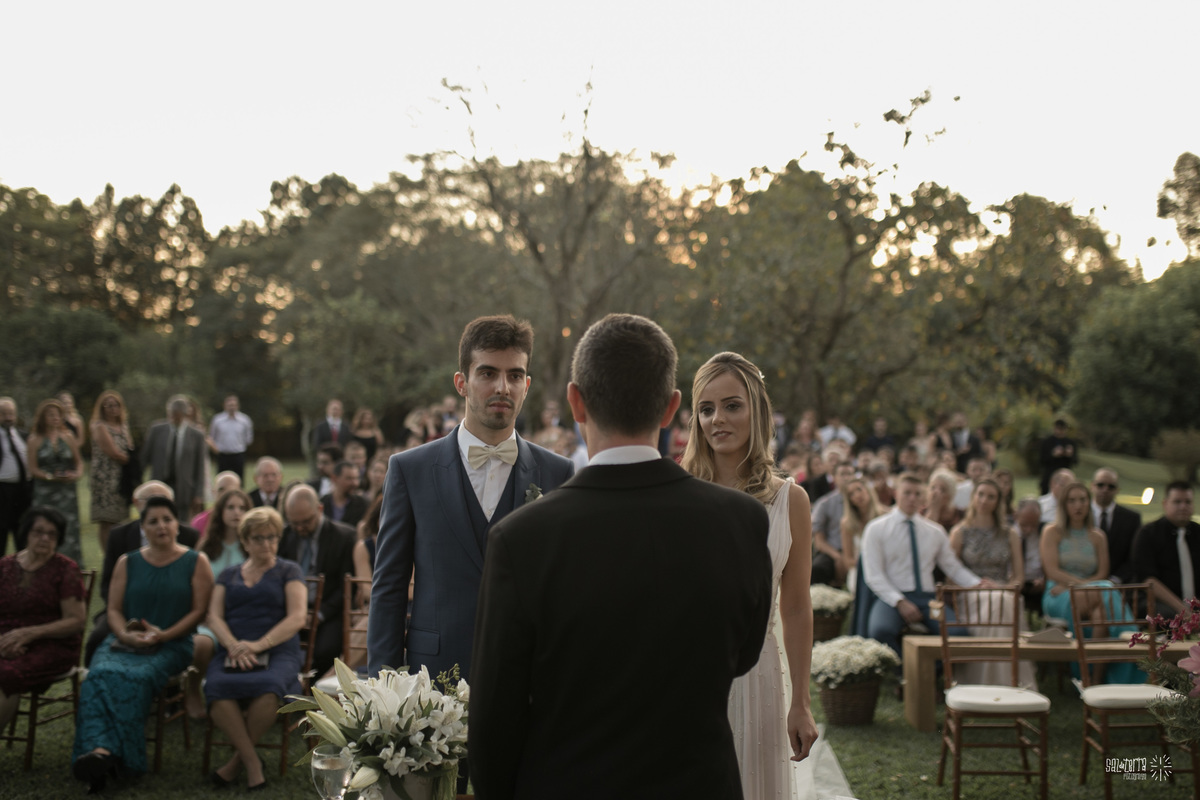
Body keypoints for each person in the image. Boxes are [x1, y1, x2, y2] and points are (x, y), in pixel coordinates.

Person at [470, 315, 774, 798]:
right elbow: (742, 656)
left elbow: (493, 717)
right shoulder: (741, 521)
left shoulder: (521, 539)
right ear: (673, 407)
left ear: (576, 402)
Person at [367, 315, 575, 686]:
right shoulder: (409, 470)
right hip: (431, 677)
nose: (502, 387)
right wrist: (382, 686)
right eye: (488, 373)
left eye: (514, 376)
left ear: (526, 385)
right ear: (462, 383)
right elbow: (390, 585)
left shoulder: (558, 474)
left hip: (528, 676)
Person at [680, 351, 818, 798]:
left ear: (756, 410)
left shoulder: (790, 501)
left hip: (758, 676)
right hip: (684, 677)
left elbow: (796, 607)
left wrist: (800, 701)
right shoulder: (676, 494)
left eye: (732, 405)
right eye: (706, 408)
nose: (718, 418)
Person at [73, 496, 213, 791]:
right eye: (153, 521)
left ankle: (122, 760)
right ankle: (100, 754)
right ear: (143, 528)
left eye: (167, 519)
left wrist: (164, 634)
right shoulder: (128, 561)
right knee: (98, 675)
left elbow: (199, 611)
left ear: (177, 525)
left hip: (172, 644)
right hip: (124, 641)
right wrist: (125, 635)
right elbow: (112, 609)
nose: (161, 526)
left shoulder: (196, 561)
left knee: (135, 676)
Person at [204, 507, 306, 791]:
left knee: (270, 685)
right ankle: (252, 762)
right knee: (216, 686)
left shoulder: (289, 570)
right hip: (233, 648)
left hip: (278, 649)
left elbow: (297, 617)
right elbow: (213, 616)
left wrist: (259, 645)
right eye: (259, 538)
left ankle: (237, 763)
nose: (267, 544)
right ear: (245, 541)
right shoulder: (228, 574)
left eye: (272, 537)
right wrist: (234, 646)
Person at [862, 473, 991, 656]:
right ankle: (903, 676)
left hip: (927, 599)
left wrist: (977, 583)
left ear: (923, 497)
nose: (912, 498)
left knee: (958, 635)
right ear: (896, 494)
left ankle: (930, 674)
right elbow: (874, 575)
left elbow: (952, 567)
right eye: (907, 493)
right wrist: (899, 602)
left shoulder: (934, 531)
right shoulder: (876, 529)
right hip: (891, 597)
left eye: (917, 494)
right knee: (880, 631)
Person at [85, 482, 202, 665]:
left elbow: (197, 597)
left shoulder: (190, 537)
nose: (161, 525)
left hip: (173, 612)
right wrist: (126, 622)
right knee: (97, 637)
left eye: (163, 502)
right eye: (149, 501)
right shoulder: (119, 536)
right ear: (136, 503)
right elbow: (107, 584)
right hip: (126, 610)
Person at [0, 507, 87, 731]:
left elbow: (76, 620)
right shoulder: (5, 566)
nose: (44, 538)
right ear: (26, 533)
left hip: (51, 644)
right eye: (38, 532)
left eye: (52, 534)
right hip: (6, 640)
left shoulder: (66, 570)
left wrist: (29, 634)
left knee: (7, 674)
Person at [278, 485, 354, 676]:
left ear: (319, 509)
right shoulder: (285, 536)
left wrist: (319, 615)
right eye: (294, 523)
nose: (300, 528)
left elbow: (346, 588)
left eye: (306, 522)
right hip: (290, 610)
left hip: (328, 611)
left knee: (325, 651)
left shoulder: (344, 537)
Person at [27, 398, 83, 566]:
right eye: (51, 415)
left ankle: (70, 565)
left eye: (58, 415)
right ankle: (44, 564)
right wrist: (50, 477)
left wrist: (76, 474)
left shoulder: (68, 436)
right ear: (43, 417)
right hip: (46, 492)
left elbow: (78, 462)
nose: (55, 418)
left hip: (67, 491)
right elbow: (32, 468)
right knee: (45, 526)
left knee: (69, 528)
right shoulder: (35, 439)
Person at [1132, 481, 1199, 614]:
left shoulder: (1198, 533)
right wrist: (1182, 610)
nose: (1183, 506)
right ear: (1165, 503)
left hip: (1195, 604)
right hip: (1160, 603)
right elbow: (1148, 579)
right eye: (1177, 502)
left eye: (1188, 502)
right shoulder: (1148, 533)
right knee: (1166, 615)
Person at [141, 395, 208, 517]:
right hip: (160, 483)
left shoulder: (196, 435)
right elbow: (144, 458)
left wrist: (199, 494)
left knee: (181, 520)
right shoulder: (156, 430)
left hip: (184, 488)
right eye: (170, 413)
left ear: (184, 414)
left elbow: (200, 467)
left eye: (175, 414)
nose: (172, 416)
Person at [88, 391, 132, 551]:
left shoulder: (124, 426)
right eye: (108, 406)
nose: (113, 409)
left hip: (121, 478)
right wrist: (133, 459)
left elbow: (129, 447)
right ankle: (108, 555)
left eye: (116, 405)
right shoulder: (99, 426)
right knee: (106, 520)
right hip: (105, 477)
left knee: (120, 519)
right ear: (102, 408)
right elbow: (113, 453)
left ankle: (119, 552)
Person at [1091, 467, 1142, 584]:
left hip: (1120, 585)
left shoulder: (1131, 519)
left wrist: (1116, 579)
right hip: (1083, 583)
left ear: (1117, 490)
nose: (1105, 489)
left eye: (1111, 486)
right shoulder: (1079, 515)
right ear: (1092, 486)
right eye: (1100, 485)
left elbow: (1135, 556)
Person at [810, 462, 857, 587]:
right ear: (834, 477)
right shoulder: (824, 503)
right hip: (833, 551)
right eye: (842, 474)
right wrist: (838, 557)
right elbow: (819, 541)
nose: (846, 478)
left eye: (850, 474)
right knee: (817, 568)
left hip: (857, 550)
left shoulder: (862, 501)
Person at [1, 397, 33, 554]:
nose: (8, 417)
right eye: (3, 413)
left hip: (22, 492)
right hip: (2, 492)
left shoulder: (24, 436)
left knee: (22, 534)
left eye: (11, 413)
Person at [208, 395, 253, 480]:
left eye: (233, 405)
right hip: (223, 455)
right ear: (225, 406)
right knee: (221, 479)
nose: (231, 407)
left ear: (237, 406)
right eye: (229, 405)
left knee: (239, 479)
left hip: (238, 455)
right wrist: (216, 449)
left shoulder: (245, 420)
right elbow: (212, 437)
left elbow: (248, 438)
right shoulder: (217, 420)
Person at [321, 460, 367, 527]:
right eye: (349, 479)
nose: (355, 483)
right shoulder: (323, 503)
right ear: (334, 478)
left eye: (356, 478)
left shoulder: (363, 504)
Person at [1038, 419, 1077, 495]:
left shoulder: (1070, 443)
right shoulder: (1047, 442)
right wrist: (1053, 455)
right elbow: (1041, 460)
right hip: (1049, 475)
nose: (1060, 431)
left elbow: (1075, 461)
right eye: (1058, 428)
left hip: (1065, 474)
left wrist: (1070, 455)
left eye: (1063, 429)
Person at [924, 468, 963, 532]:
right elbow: (925, 535)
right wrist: (933, 510)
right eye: (933, 488)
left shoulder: (960, 515)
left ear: (949, 496)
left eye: (942, 490)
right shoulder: (920, 513)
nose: (935, 493)